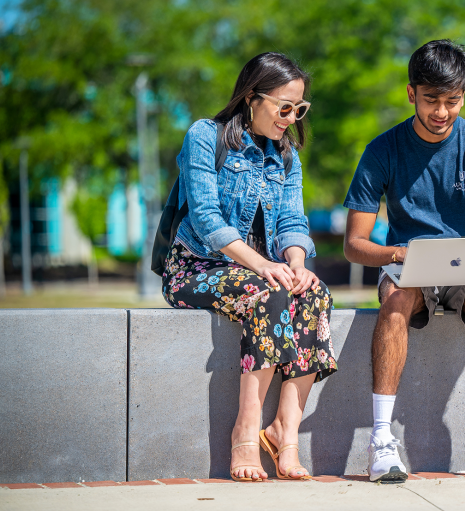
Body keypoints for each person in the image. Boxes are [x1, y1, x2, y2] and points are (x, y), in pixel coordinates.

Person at [343, 40, 465, 483]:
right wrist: (398, 254)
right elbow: (354, 244)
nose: (442, 111)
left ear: (464, 95)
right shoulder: (383, 150)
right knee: (395, 295)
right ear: (411, 93)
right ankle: (381, 441)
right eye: (431, 100)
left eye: (452, 100)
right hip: (407, 265)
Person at [162, 52, 337, 482]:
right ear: (251, 98)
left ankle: (284, 432)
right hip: (196, 266)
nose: (291, 118)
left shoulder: (287, 153)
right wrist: (264, 267)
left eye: (299, 109)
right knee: (269, 290)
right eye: (284, 107)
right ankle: (246, 429)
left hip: (258, 270)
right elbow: (206, 218)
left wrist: (296, 263)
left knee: (314, 293)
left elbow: (294, 221)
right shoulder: (206, 136)